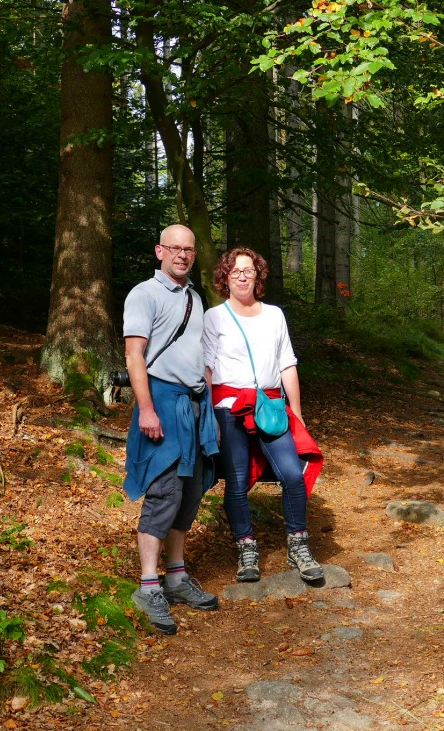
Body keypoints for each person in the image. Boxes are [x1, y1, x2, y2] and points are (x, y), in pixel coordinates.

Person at [203, 247, 325, 584]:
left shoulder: (274, 315)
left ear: (258, 276)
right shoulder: (215, 317)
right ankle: (246, 548)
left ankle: (298, 545)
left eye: (248, 270)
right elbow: (208, 368)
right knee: (238, 481)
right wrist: (208, 416)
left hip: (271, 408)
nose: (242, 276)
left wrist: (296, 413)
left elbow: (287, 364)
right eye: (235, 271)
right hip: (229, 408)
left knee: (292, 474)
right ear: (225, 278)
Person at [122, 224, 221, 635]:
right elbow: (134, 355)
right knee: (164, 490)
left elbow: (200, 355)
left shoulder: (194, 298)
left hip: (195, 405)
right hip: (161, 401)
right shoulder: (144, 294)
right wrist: (146, 409)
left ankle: (176, 578)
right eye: (175, 248)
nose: (182, 255)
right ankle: (148, 585)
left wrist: (210, 401)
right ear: (159, 250)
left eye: (189, 250)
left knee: (191, 491)